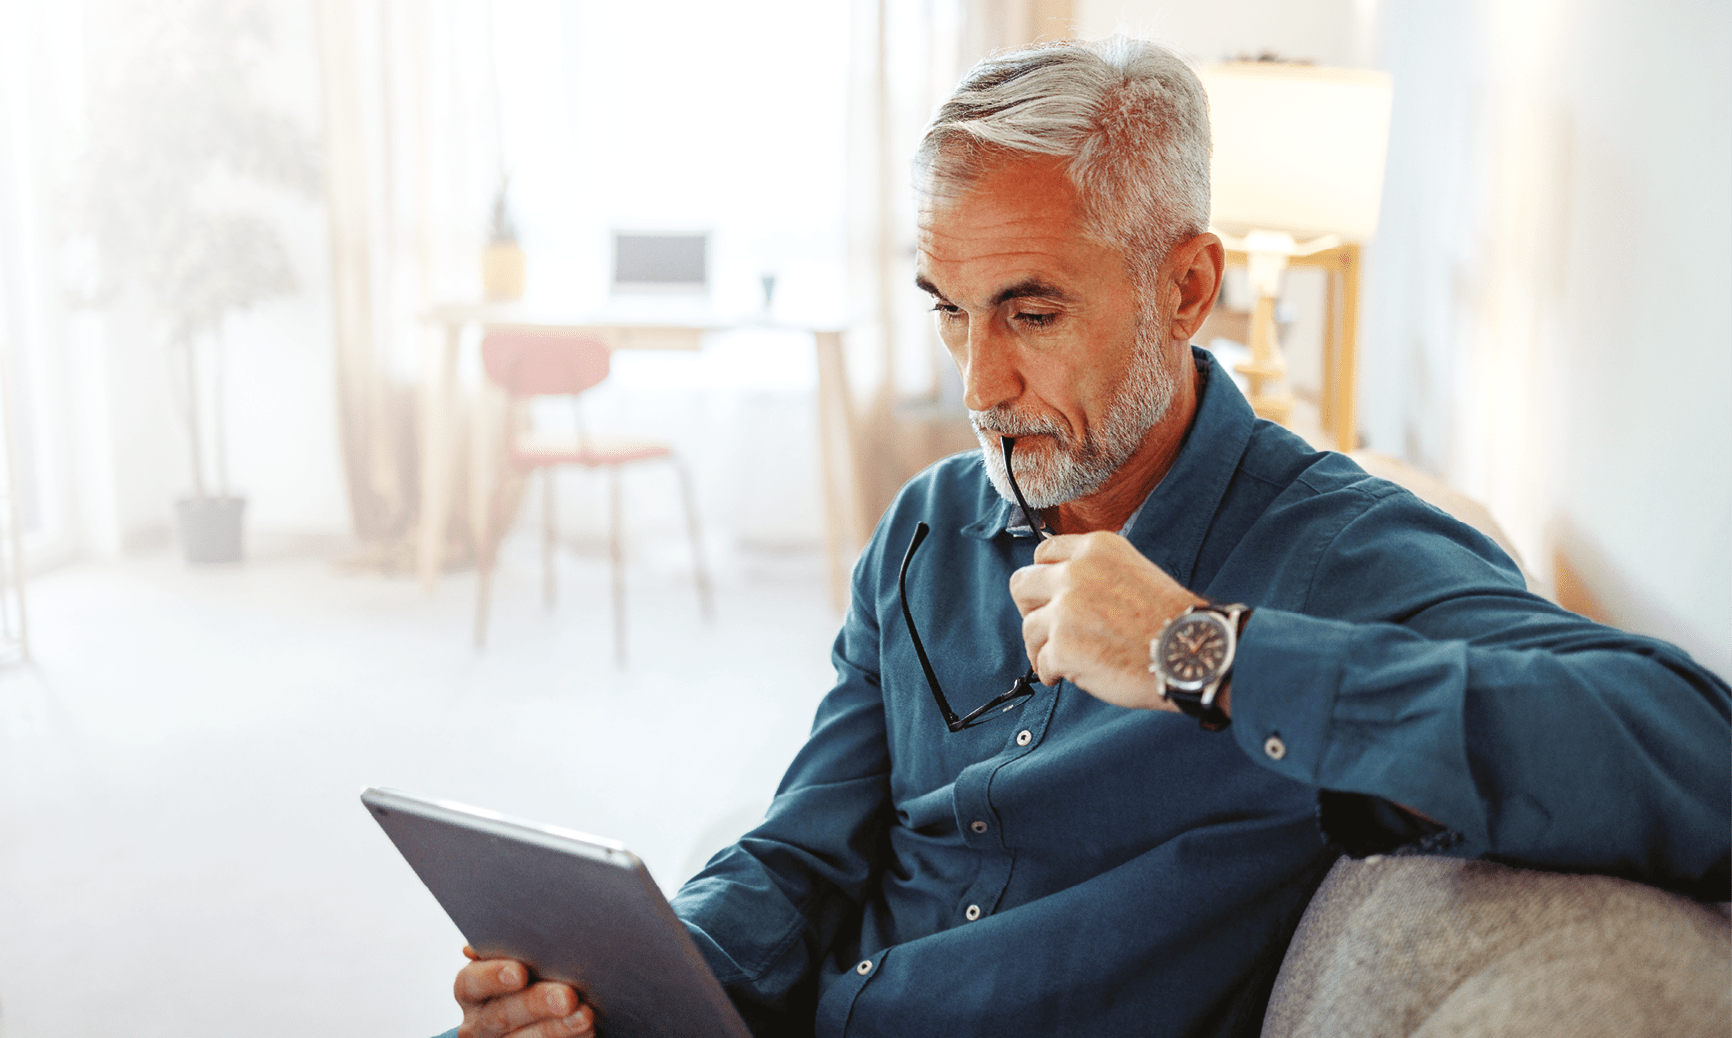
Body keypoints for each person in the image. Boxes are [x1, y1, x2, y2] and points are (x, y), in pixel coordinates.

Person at [442, 36, 1731, 1038]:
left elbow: (1697, 753)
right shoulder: (926, 529)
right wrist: (633, 984)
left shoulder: (1335, 552)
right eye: (950, 311)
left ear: (1186, 288)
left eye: (1032, 311)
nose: (978, 385)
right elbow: (804, 850)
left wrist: (1198, 652)